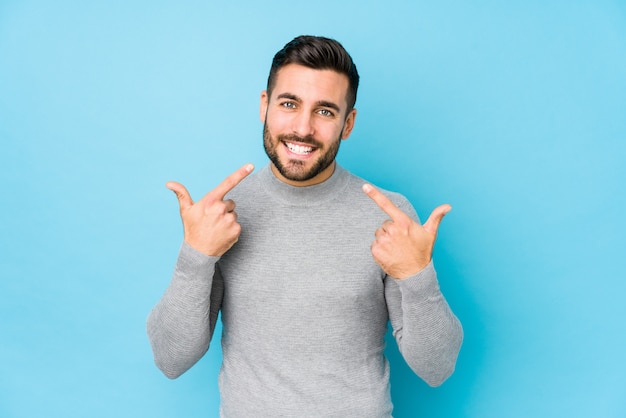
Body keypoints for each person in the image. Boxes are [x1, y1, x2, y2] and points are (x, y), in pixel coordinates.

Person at [147, 35, 463, 417]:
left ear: (348, 124)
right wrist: (194, 257)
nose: (303, 128)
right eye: (288, 104)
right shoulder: (223, 214)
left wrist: (418, 276)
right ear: (265, 105)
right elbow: (170, 359)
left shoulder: (391, 215)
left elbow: (437, 369)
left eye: (325, 111)